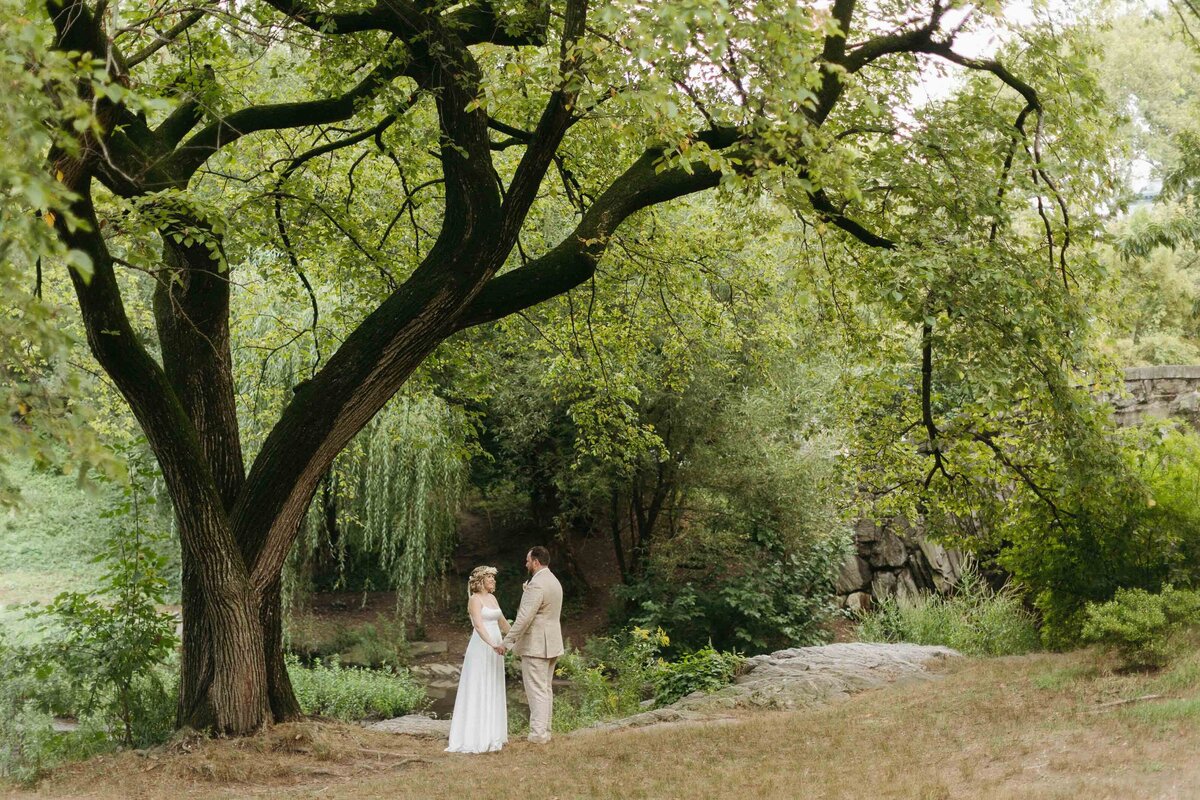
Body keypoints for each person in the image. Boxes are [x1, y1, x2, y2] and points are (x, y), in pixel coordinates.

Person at [501, 546, 563, 744]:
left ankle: (537, 735)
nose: (526, 564)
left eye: (528, 560)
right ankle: (545, 732)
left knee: (536, 691)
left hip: (536, 645)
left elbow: (524, 618)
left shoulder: (536, 585)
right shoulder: (553, 581)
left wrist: (507, 641)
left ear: (536, 562)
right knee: (545, 689)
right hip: (552, 643)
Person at [445, 565, 510, 754]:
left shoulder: (492, 598)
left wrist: (515, 638)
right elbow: (480, 627)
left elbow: (503, 622)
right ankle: (475, 737)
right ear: (481, 581)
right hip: (483, 647)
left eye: (493, 578)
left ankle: (493, 735)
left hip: (497, 647)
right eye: (490, 578)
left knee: (493, 685)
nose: (493, 581)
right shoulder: (474, 600)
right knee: (479, 686)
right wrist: (493, 644)